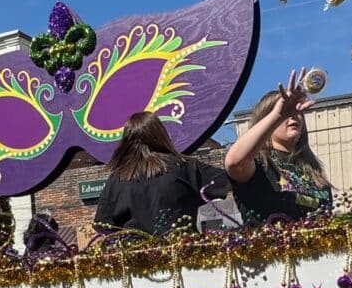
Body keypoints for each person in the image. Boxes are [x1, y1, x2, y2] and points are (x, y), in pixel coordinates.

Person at [224, 68, 333, 226]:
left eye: (297, 111)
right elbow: (235, 163)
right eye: (288, 111)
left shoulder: (314, 171)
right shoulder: (259, 163)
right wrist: (278, 115)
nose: (294, 116)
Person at [94, 111, 229, 236]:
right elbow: (230, 179)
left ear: (126, 140)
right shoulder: (185, 167)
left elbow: (102, 224)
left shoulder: (117, 178)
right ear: (161, 135)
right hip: (181, 248)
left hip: (134, 251)